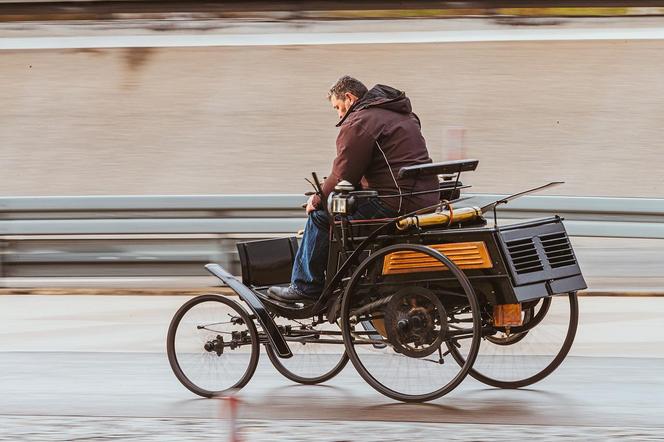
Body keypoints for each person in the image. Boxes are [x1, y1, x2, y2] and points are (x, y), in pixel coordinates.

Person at [268, 76, 439, 303]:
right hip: (425, 197)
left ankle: (305, 286)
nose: (339, 115)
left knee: (321, 216)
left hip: (395, 201)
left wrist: (318, 199)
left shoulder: (360, 121)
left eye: (338, 107)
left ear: (349, 98)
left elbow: (344, 174)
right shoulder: (403, 115)